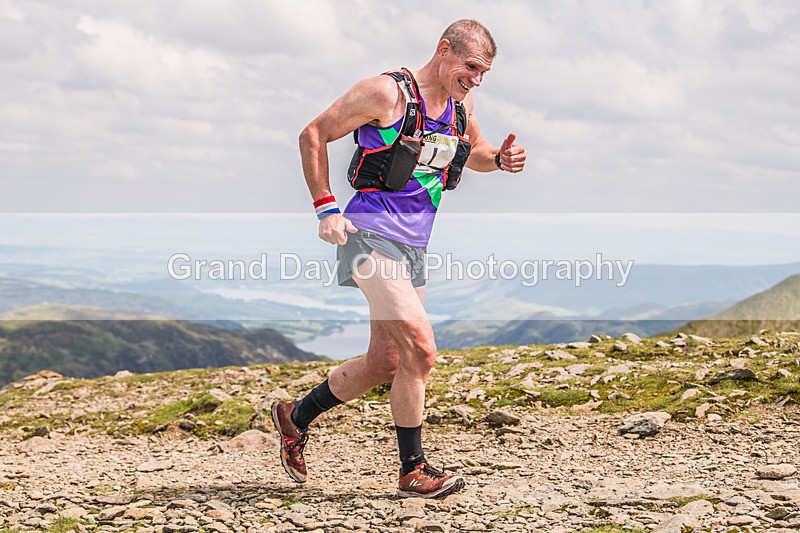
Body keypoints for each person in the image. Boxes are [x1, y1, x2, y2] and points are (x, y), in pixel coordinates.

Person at [272, 19, 526, 499]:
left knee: (384, 363)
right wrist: (326, 208)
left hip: (414, 246)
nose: (476, 80)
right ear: (444, 50)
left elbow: (474, 151)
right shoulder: (386, 93)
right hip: (367, 235)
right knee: (421, 349)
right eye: (471, 67)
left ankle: (295, 416)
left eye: (484, 73)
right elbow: (313, 134)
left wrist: (499, 160)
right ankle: (414, 469)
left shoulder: (460, 105)